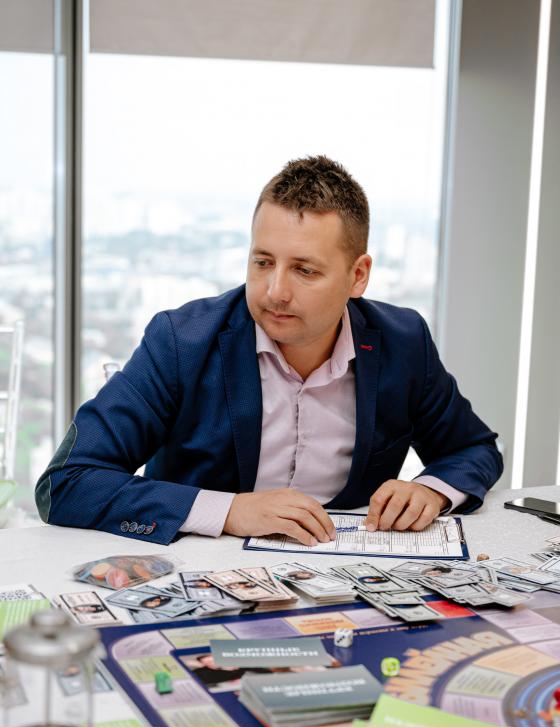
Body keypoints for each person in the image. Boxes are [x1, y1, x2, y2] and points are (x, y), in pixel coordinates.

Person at [35, 156, 503, 546]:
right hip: (203, 577)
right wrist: (230, 511)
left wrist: (432, 491)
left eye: (305, 270)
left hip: (348, 579)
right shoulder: (181, 341)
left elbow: (472, 448)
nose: (275, 291)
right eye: (262, 262)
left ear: (358, 276)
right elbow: (68, 481)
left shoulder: (403, 341)